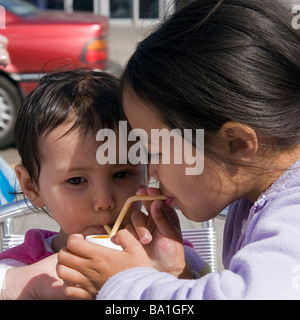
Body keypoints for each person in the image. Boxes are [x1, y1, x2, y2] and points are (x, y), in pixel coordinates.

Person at [57, 0, 300, 299]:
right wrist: (175, 272)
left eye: (155, 151)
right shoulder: (256, 197)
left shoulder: (294, 213)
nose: (152, 171)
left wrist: (124, 284)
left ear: (236, 144)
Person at [0, 68, 147, 299]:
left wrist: (173, 276)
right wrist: (20, 286)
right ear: (31, 186)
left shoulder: (169, 257)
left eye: (122, 174)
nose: (104, 202)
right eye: (76, 180)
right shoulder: (20, 269)